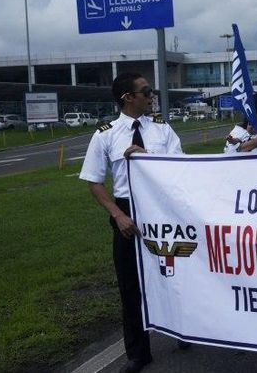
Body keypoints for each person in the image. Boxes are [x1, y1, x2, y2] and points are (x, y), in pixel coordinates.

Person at [79, 73, 184, 373]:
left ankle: (181, 330)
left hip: (162, 210)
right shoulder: (105, 134)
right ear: (128, 97)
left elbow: (180, 169)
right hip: (126, 211)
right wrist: (118, 214)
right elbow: (94, 182)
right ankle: (138, 352)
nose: (152, 96)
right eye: (146, 91)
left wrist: (147, 157)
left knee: (172, 276)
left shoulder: (162, 130)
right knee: (130, 285)